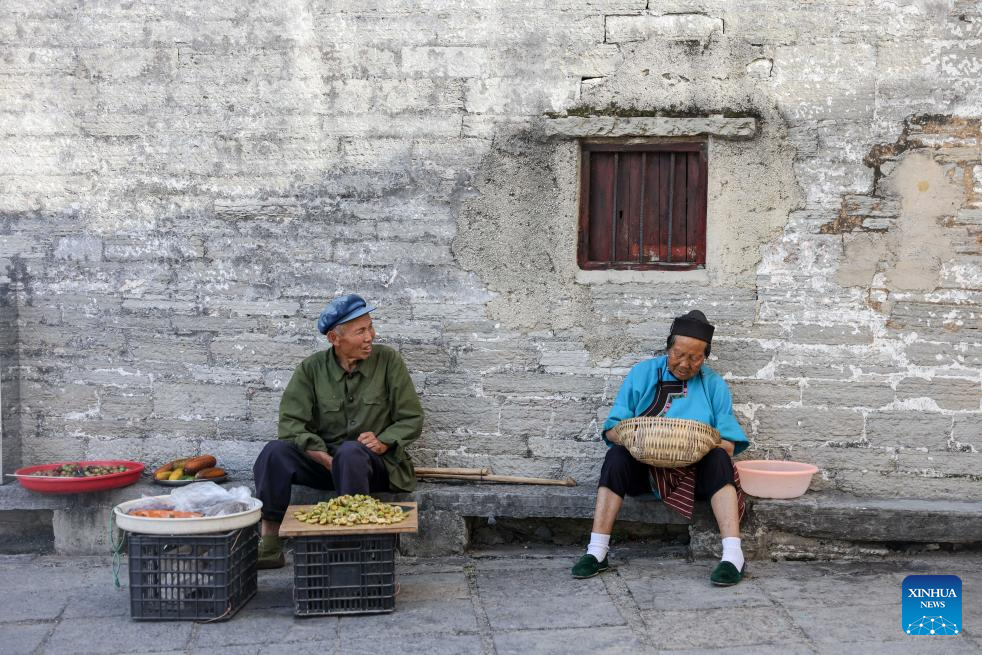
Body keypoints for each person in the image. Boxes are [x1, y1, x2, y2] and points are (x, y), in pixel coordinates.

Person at [572, 310, 750, 586]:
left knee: (718, 459)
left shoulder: (713, 384)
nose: (685, 363)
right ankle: (596, 551)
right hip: (644, 471)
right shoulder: (642, 373)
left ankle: (732, 556)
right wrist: (637, 437)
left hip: (694, 476)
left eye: (695, 358)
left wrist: (700, 442)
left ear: (705, 357)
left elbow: (728, 443)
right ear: (668, 347)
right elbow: (611, 429)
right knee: (616, 456)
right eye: (678, 354)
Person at [252, 294, 424, 568]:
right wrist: (321, 457)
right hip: (327, 465)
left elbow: (411, 418)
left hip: (371, 466)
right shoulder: (311, 370)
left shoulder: (388, 361)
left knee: (350, 453)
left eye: (370, 327)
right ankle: (271, 544)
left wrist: (384, 441)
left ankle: (352, 548)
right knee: (274, 453)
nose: (370, 336)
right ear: (335, 338)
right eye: (361, 331)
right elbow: (291, 424)